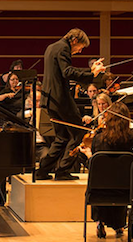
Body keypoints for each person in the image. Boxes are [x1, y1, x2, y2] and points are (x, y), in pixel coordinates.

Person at [36, 28, 105, 180]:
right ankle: (62, 171)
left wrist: (90, 70)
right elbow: (67, 72)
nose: (79, 51)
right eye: (80, 47)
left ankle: (42, 170)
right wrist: (92, 73)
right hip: (61, 99)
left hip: (51, 99)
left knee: (62, 137)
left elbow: (63, 71)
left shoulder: (52, 47)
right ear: (74, 41)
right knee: (79, 132)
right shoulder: (63, 48)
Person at [79, 102, 133, 238]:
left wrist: (88, 155)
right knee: (117, 179)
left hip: (99, 191)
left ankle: (99, 222)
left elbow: (96, 165)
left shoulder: (98, 139)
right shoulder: (130, 138)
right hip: (124, 191)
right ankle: (119, 226)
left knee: (103, 180)